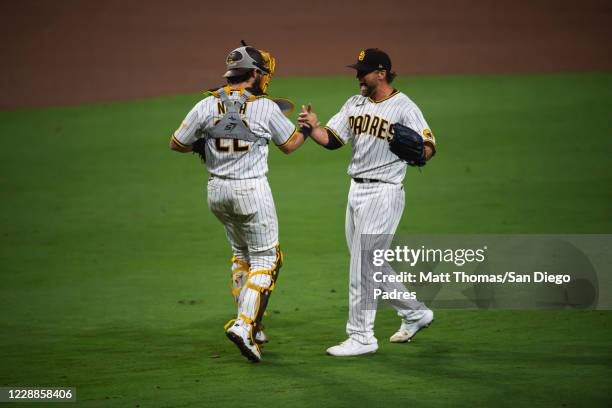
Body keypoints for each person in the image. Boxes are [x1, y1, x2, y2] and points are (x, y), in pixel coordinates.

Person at [170, 44, 308, 363]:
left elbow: (177, 143)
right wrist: (307, 126)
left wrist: (204, 145)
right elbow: (290, 145)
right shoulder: (264, 108)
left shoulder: (206, 105)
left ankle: (253, 325)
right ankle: (245, 326)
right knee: (267, 260)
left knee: (240, 254)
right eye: (264, 74)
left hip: (216, 193)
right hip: (251, 193)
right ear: (255, 74)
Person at [298, 48, 437, 357]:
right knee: (370, 263)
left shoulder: (404, 107)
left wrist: (418, 152)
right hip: (356, 191)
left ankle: (362, 336)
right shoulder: (354, 104)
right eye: (356, 71)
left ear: (381, 73)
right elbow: (332, 139)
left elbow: (429, 145)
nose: (358, 76)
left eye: (363, 71)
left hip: (384, 192)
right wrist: (312, 127)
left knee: (362, 264)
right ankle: (415, 313)